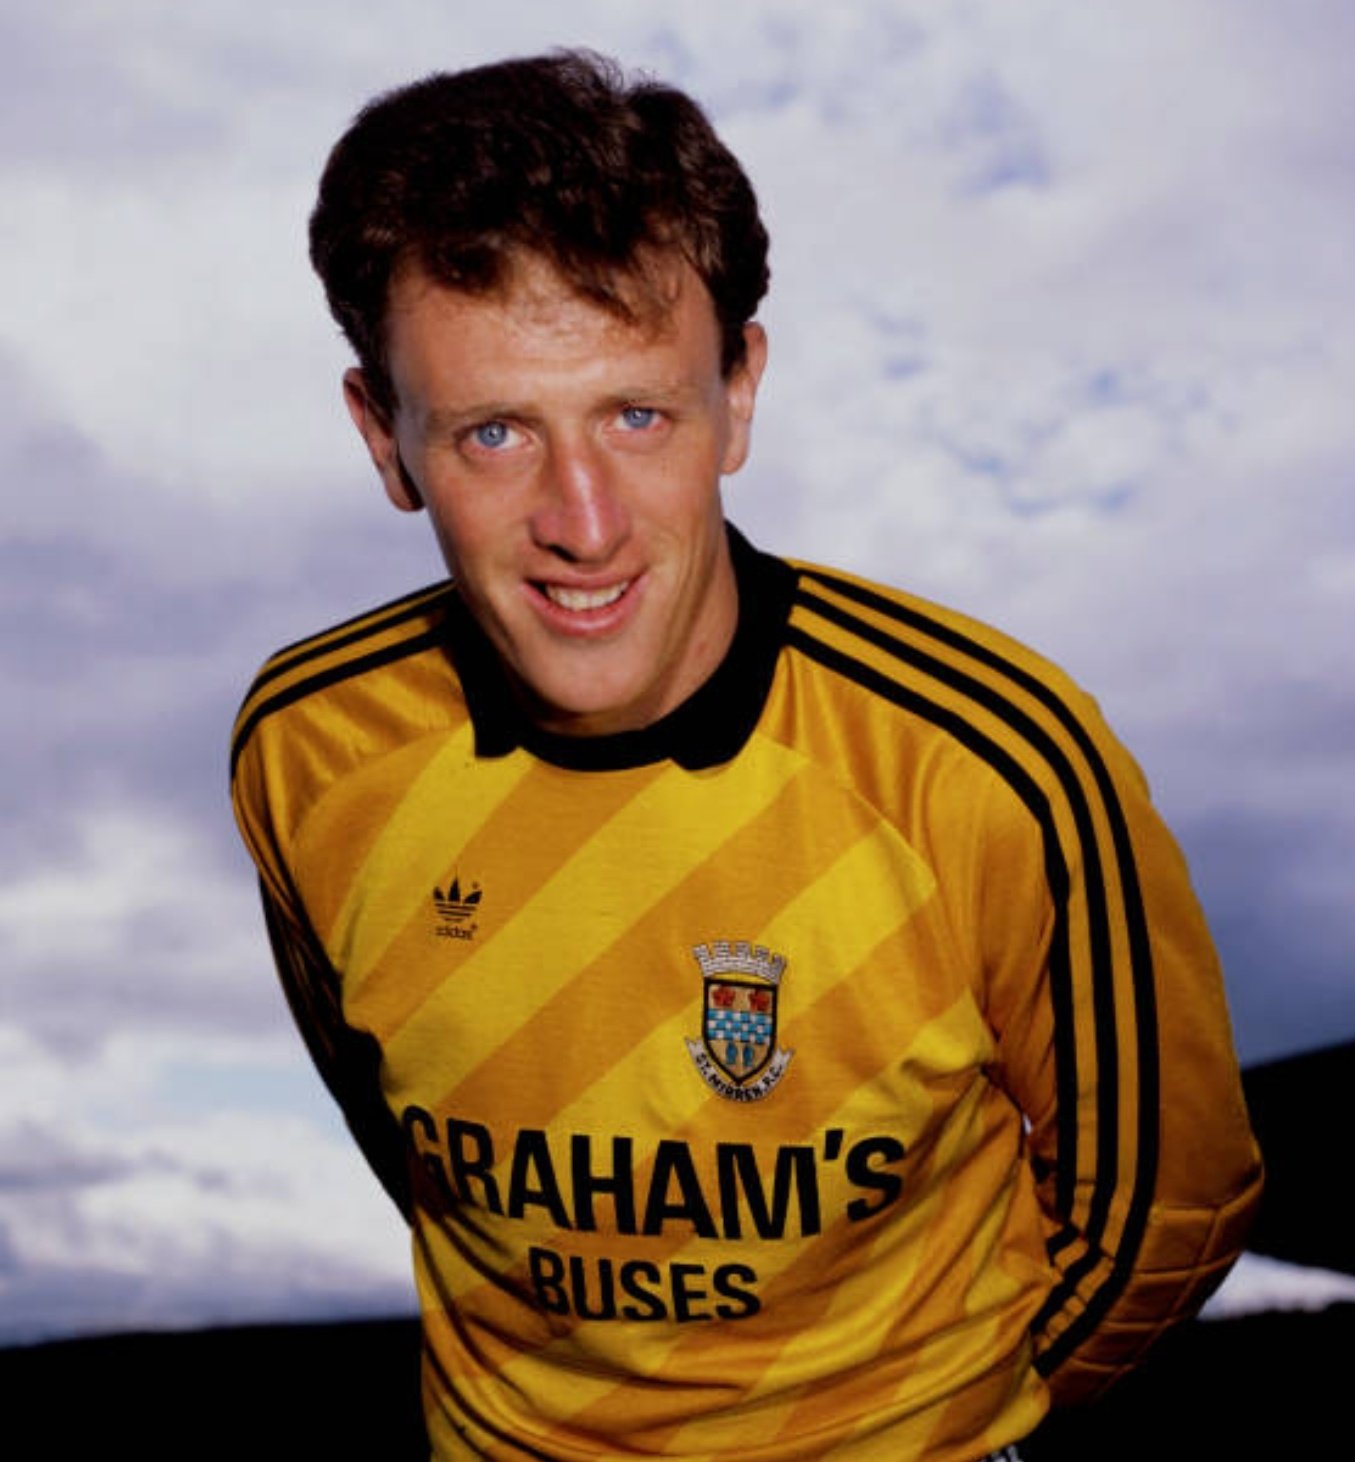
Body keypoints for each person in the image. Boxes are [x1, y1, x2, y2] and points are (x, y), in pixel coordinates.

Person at [230, 50, 1262, 1461]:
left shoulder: (988, 760)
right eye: (495, 432)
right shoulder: (307, 748)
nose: (583, 521)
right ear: (384, 437)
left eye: (637, 415)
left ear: (740, 390)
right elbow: (402, 1130)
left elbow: (1169, 1208)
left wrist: (944, 1421)